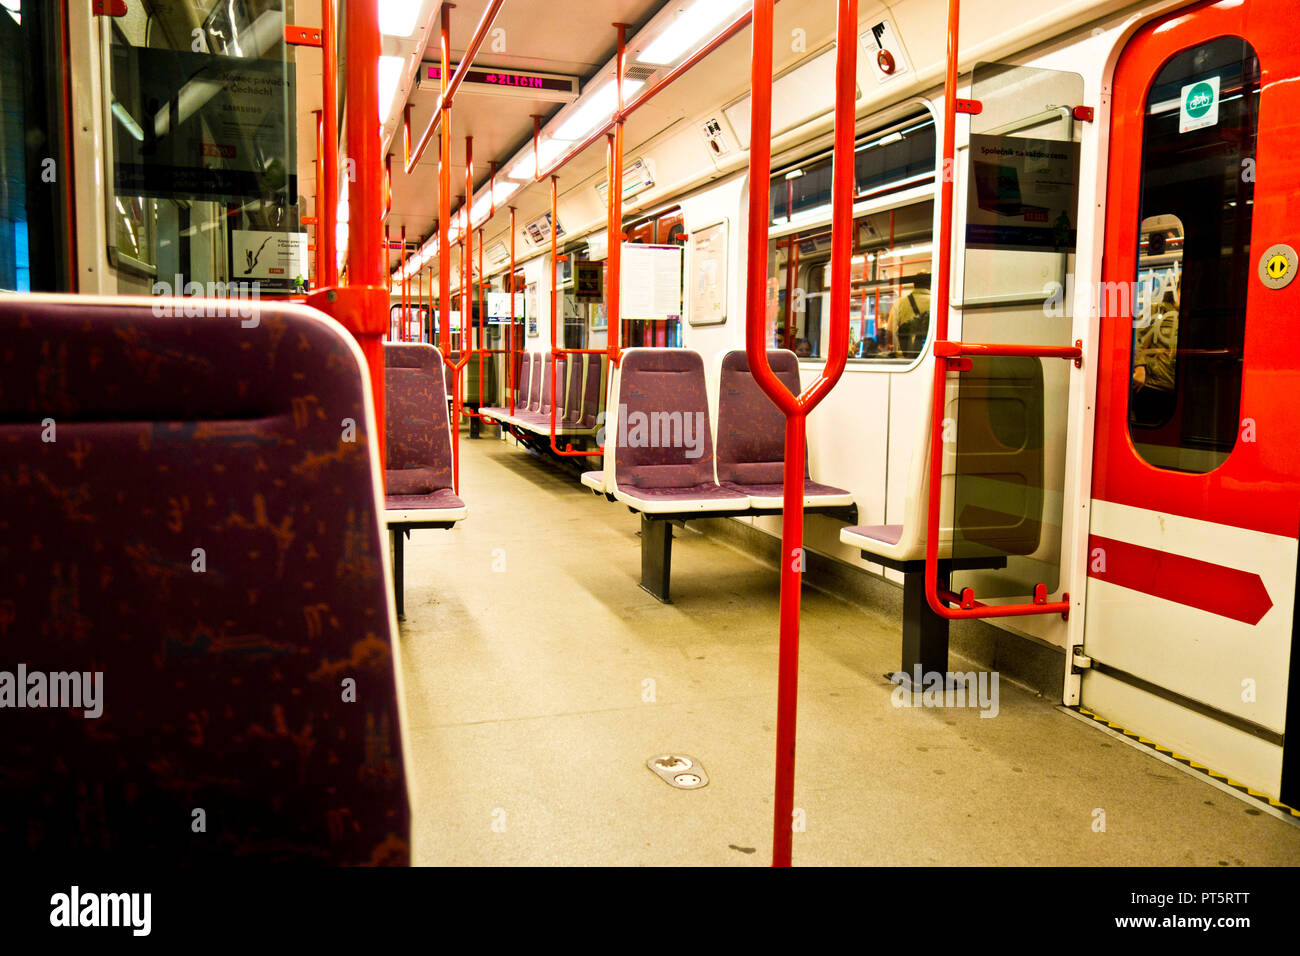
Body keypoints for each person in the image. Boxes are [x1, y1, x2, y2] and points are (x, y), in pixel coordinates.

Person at [1131, 284, 1179, 427]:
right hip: (1152, 385)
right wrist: (1139, 367)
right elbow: (1133, 337)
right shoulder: (1156, 310)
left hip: (1172, 389)